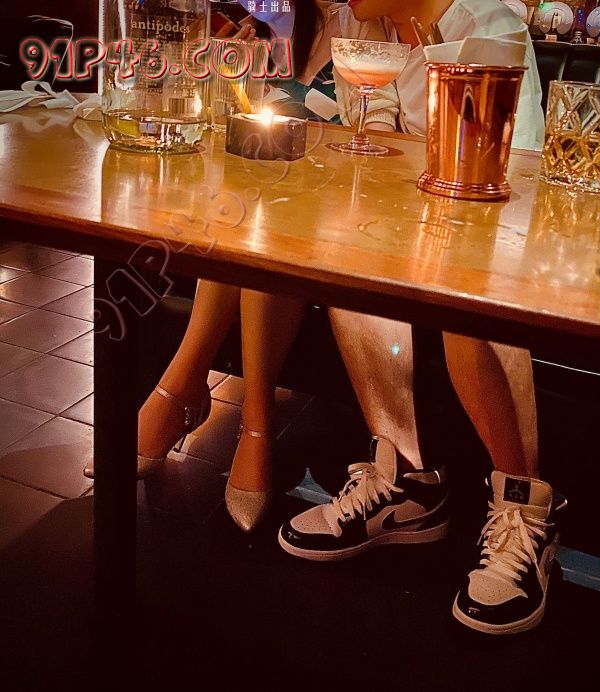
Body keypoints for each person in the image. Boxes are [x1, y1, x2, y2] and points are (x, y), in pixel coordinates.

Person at [278, 0, 566, 636]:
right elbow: (363, 139)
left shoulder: (486, 24)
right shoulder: (362, 28)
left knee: (465, 282)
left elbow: (512, 172)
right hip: (405, 224)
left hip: (489, 229)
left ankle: (524, 507)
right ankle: (405, 480)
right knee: (348, 246)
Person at [96, 1, 399, 535]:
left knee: (262, 224)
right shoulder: (272, 24)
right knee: (254, 219)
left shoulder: (366, 24)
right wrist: (224, 72)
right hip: (271, 206)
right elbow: (234, 128)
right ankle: (236, 413)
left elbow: (376, 131)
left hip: (343, 221)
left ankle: (194, 394)